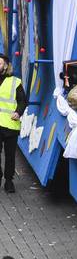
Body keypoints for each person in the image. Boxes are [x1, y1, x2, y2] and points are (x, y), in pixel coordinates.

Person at [0, 53, 25, 193]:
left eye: (0, 63)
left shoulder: (15, 82)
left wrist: (18, 112)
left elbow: (22, 100)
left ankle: (9, 181)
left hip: (10, 124)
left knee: (10, 155)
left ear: (5, 66)